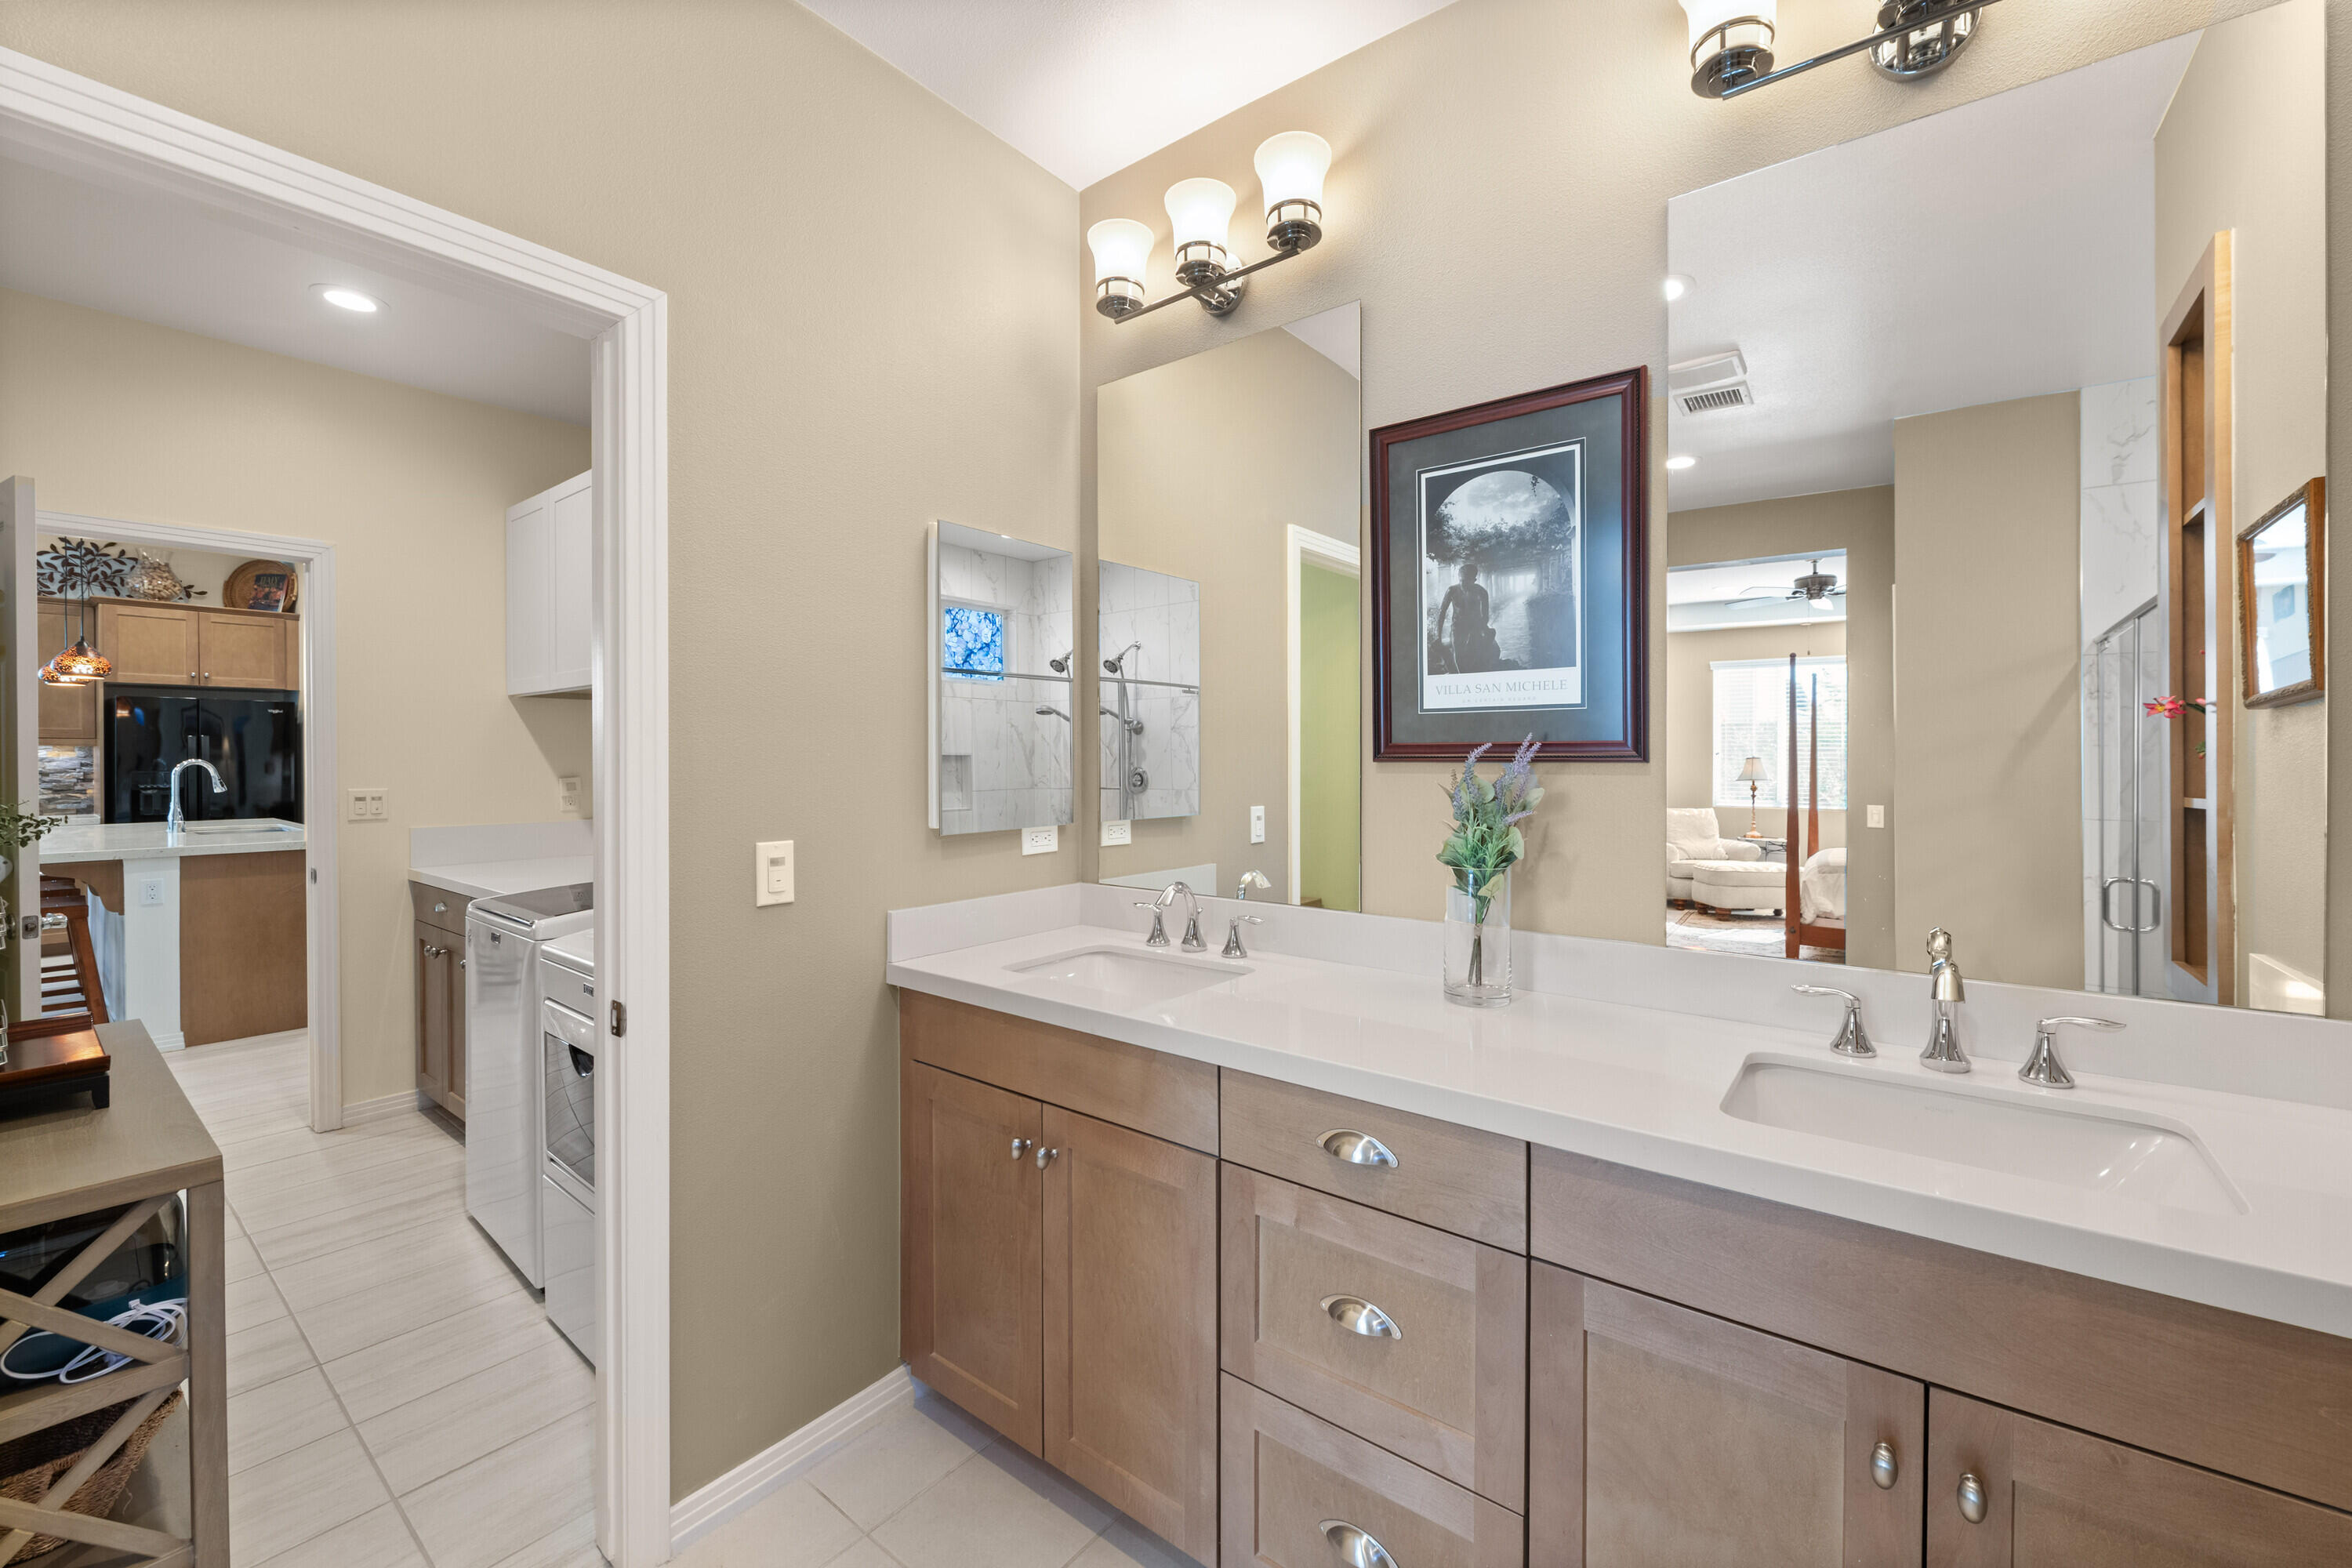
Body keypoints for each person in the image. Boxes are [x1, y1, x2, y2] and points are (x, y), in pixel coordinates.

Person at [1433, 560, 1499, 673]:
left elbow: (1485, 617)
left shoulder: (1481, 592)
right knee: (1458, 654)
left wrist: (1479, 629)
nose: (1463, 584)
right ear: (1459, 579)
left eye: (1467, 582)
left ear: (1474, 580)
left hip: (1476, 626)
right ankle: (1461, 676)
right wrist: (1438, 636)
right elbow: (1442, 614)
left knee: (1478, 652)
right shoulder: (1452, 591)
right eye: (1461, 581)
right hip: (1457, 627)